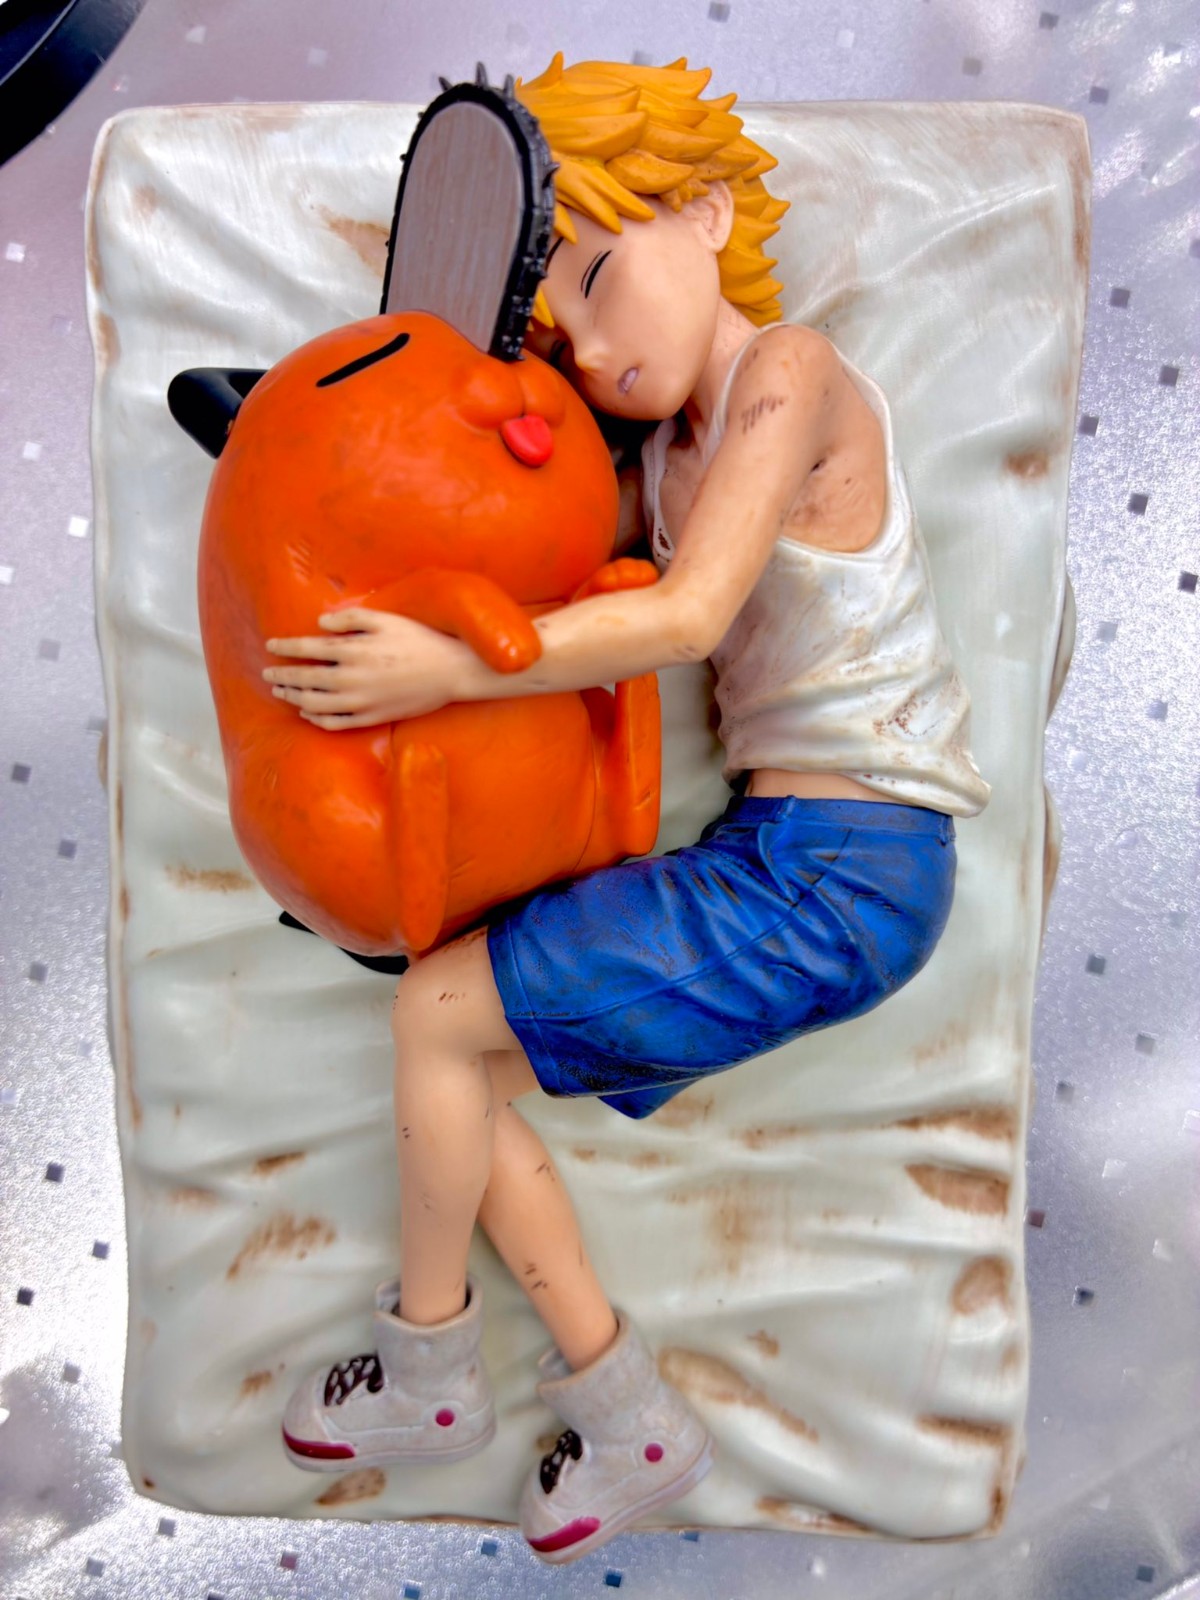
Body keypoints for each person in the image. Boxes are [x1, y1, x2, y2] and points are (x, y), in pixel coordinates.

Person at [263, 55, 990, 1564]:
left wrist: (446, 669)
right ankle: (622, 1412)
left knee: (436, 1023)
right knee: (448, 1059)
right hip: (781, 858)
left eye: (598, 279)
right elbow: (511, 538)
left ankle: (433, 1365)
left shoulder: (792, 375)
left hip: (848, 870)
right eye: (564, 339)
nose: (593, 349)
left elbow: (686, 614)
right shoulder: (658, 462)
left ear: (707, 216)